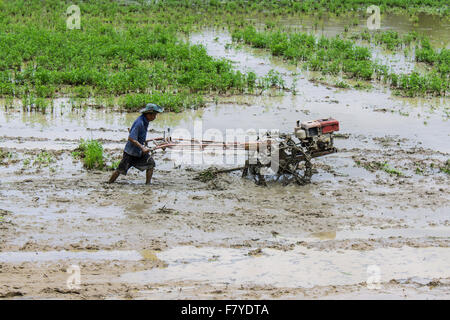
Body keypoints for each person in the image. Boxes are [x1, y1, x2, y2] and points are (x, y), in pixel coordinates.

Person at [108, 103, 163, 185]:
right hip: (130, 152)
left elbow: (138, 136)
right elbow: (131, 138)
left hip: (138, 152)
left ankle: (148, 184)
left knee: (151, 164)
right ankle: (109, 183)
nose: (155, 117)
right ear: (148, 114)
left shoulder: (145, 121)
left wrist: (146, 142)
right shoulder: (139, 123)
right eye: (154, 115)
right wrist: (142, 147)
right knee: (120, 170)